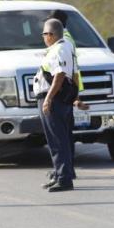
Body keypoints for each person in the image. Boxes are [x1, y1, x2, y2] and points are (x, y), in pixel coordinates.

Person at [33, 19, 77, 192]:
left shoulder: (59, 49)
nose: (43, 37)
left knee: (57, 141)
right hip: (59, 99)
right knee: (59, 140)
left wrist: (48, 99)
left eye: (44, 33)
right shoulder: (64, 47)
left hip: (54, 99)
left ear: (51, 35)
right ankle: (60, 175)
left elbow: (59, 76)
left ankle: (64, 179)